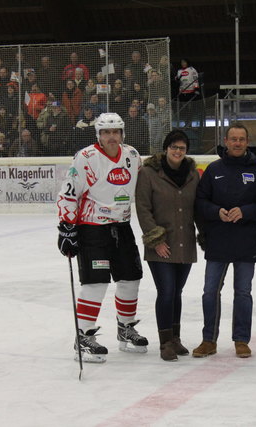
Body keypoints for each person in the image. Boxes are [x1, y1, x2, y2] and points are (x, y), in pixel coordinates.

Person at [56, 112, 148, 363]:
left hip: (122, 226)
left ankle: (125, 328)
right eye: (106, 132)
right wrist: (67, 227)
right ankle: (84, 336)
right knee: (95, 283)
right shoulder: (86, 158)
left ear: (122, 133)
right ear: (98, 135)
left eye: (115, 131)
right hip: (92, 228)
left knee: (131, 278)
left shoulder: (132, 155)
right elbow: (69, 194)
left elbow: (146, 184)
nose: (111, 137)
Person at [193, 122, 256, 358]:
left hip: (246, 240)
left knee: (242, 292)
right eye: (233, 139)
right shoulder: (214, 169)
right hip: (217, 240)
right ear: (226, 141)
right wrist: (216, 212)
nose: (237, 143)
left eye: (241, 139)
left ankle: (241, 339)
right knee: (210, 291)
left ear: (247, 142)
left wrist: (246, 212)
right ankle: (208, 339)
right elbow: (200, 202)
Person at [135, 130, 200, 361]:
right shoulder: (149, 173)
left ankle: (175, 338)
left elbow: (199, 207)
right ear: (166, 149)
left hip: (185, 243)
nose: (177, 152)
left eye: (182, 148)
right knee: (167, 291)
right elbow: (143, 208)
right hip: (161, 245)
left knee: (177, 292)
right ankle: (165, 343)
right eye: (174, 147)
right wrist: (156, 239)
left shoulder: (193, 174)